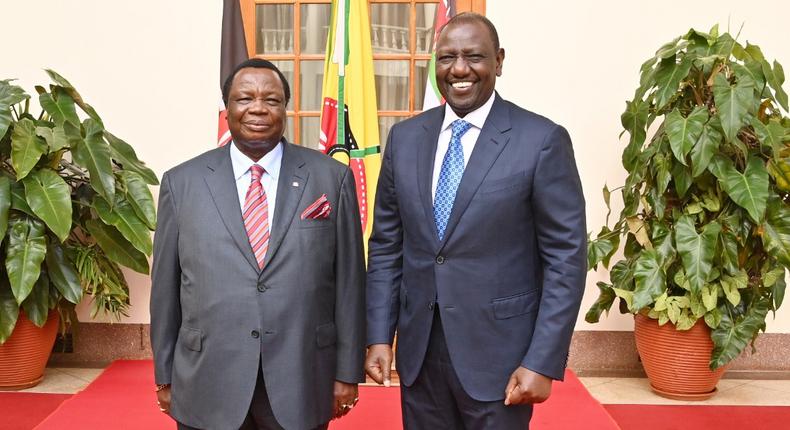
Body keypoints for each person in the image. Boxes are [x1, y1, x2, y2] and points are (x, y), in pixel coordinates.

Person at [365, 13, 587, 429]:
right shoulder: (405, 139)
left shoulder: (541, 141)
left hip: (501, 359)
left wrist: (542, 360)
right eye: (447, 57)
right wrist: (378, 335)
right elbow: (386, 247)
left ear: (499, 61)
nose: (459, 69)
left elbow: (566, 260)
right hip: (419, 356)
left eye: (474, 56)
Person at [150, 58, 366, 430]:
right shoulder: (181, 183)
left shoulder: (331, 178)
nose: (258, 108)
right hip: (207, 378)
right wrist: (165, 375)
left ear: (286, 108)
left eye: (272, 99)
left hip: (301, 377)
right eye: (244, 98)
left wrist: (347, 372)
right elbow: (166, 289)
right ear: (227, 109)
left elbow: (350, 284)